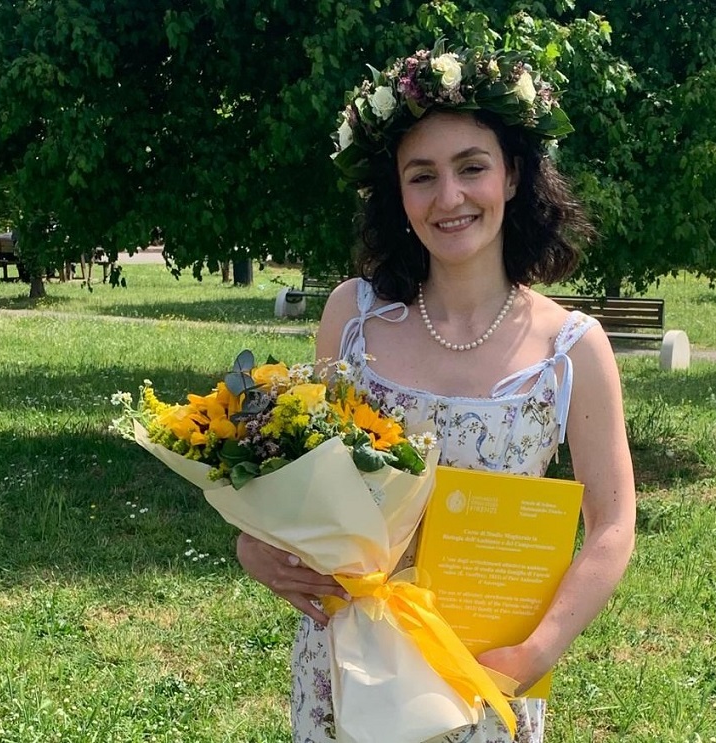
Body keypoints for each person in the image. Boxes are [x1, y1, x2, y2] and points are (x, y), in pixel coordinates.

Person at [236, 42, 636, 743]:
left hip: (485, 675)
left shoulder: (572, 349)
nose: (449, 198)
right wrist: (254, 543)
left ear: (513, 175)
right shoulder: (351, 317)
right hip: (348, 667)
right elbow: (302, 470)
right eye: (422, 176)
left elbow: (612, 524)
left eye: (471, 167)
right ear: (397, 192)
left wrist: (536, 651)